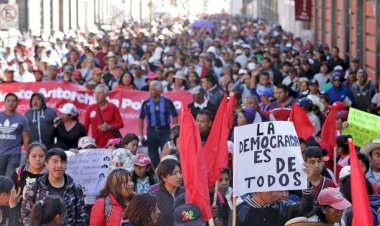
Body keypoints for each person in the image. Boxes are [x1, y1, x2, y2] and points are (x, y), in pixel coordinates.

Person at [21, 148, 87, 226]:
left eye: (63, 162)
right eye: (55, 161)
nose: (59, 165)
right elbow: (25, 214)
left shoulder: (75, 188)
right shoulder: (35, 187)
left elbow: (81, 217)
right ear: (46, 164)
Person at [138, 81, 178, 167]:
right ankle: (155, 172)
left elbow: (175, 115)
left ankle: (165, 170)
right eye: (150, 89)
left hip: (165, 131)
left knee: (167, 153)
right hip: (152, 131)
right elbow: (141, 118)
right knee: (152, 155)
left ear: (159, 91)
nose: (150, 91)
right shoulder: (146, 103)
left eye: (153, 89)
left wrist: (173, 131)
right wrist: (141, 135)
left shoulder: (167, 102)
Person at [11, 142, 47, 221]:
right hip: (20, 218)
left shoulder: (50, 174)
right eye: (34, 156)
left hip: (43, 218)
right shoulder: (18, 172)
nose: (37, 159)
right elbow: (10, 196)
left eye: (41, 156)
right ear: (27, 159)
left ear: (46, 158)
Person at [0, 93, 30, 177]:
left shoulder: (21, 119)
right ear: (4, 102)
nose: (11, 103)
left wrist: (28, 154)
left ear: (17, 103)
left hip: (14, 154)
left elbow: (26, 138)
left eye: (13, 101)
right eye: (8, 101)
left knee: (10, 179)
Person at [153, 159, 184, 226]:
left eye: (180, 172)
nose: (179, 176)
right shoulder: (154, 197)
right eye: (174, 173)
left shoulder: (187, 193)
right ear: (163, 177)